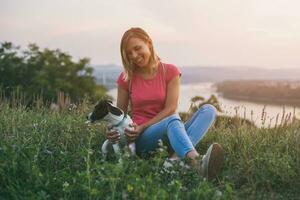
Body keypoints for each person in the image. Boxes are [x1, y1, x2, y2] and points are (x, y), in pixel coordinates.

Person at [106, 27, 225, 179]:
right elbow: (118, 117)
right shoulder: (126, 79)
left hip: (172, 132)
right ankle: (196, 163)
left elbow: (170, 108)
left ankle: (173, 160)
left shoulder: (170, 71)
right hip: (142, 138)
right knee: (172, 120)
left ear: (148, 43)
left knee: (209, 110)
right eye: (129, 53)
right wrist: (111, 131)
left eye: (137, 48)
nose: (134, 56)